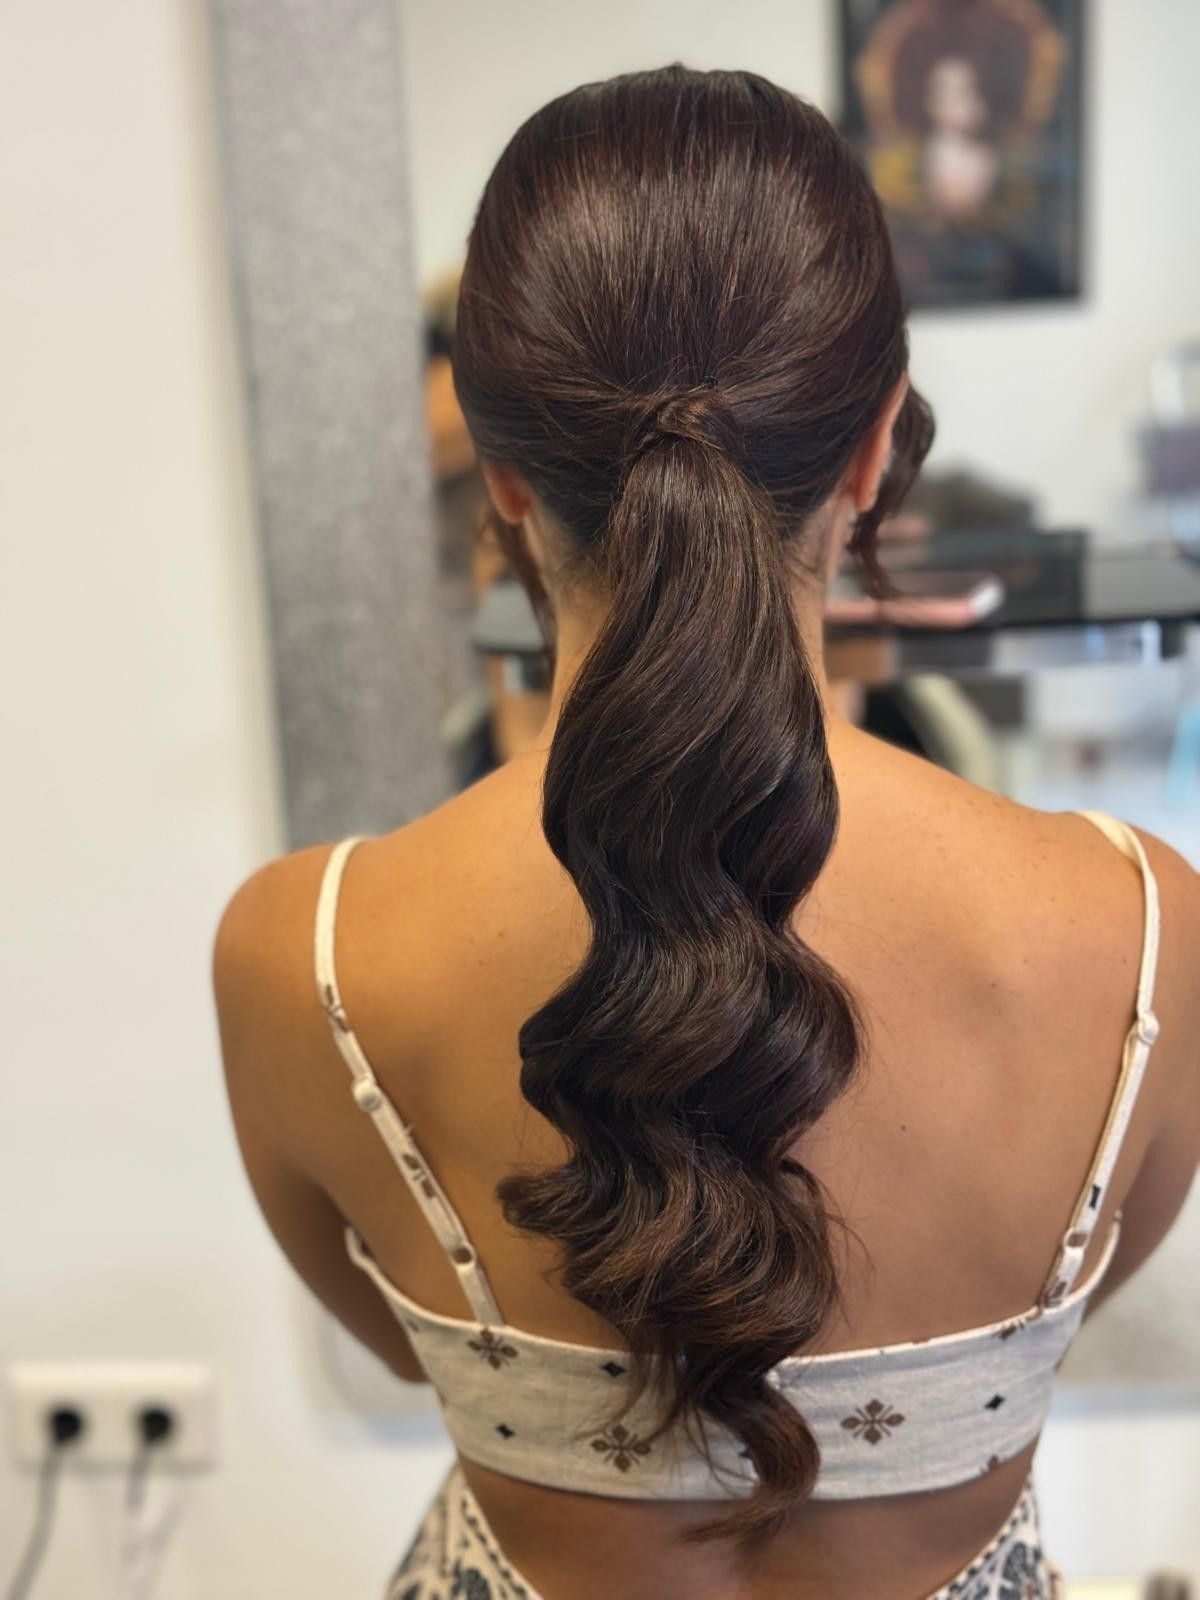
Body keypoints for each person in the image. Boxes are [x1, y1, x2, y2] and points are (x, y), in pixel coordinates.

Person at [212, 67, 1200, 1600]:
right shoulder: (1138, 927)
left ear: (507, 480)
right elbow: (1087, 1292)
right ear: (874, 451)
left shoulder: (309, 952)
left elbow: (402, 1348)